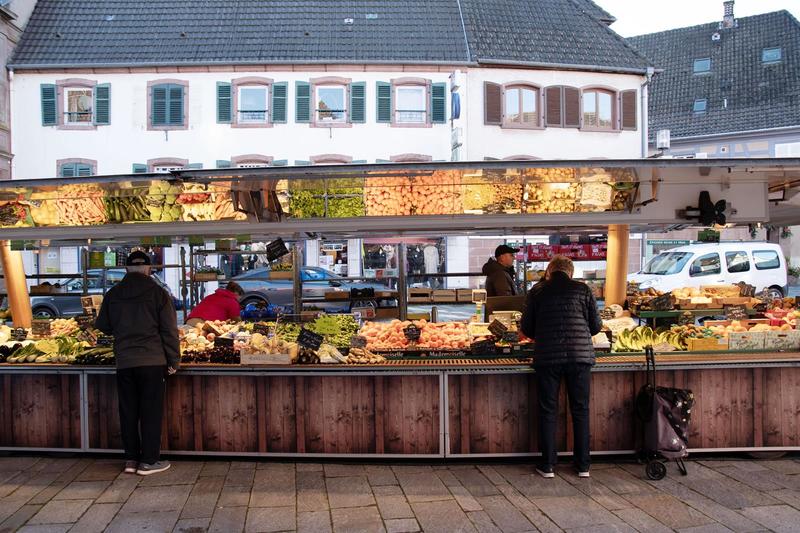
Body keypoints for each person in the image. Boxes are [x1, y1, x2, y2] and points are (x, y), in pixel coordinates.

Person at [95, 251, 180, 476]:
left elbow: (103, 325)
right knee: (151, 411)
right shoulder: (158, 293)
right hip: (152, 361)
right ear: (148, 269)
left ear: (126, 269)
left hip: (125, 361)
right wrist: (174, 360)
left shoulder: (113, 294)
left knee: (128, 411)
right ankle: (149, 461)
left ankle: (131, 460)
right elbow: (169, 331)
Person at [520, 255, 602, 479]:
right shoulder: (583, 290)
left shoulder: (538, 291)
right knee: (580, 410)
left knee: (548, 410)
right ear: (571, 272)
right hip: (580, 357)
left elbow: (526, 327)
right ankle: (583, 466)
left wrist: (544, 330)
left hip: (548, 357)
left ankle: (547, 466)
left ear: (549, 271)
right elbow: (596, 326)